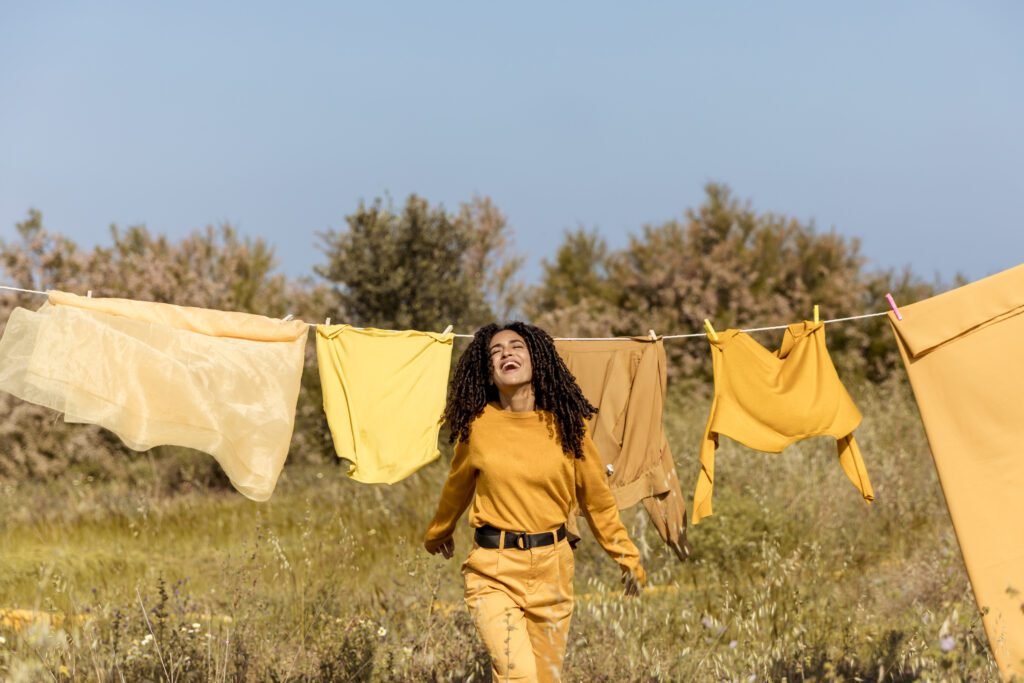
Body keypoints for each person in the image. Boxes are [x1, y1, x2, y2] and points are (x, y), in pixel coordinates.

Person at [424, 322, 647, 682]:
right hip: (492, 569)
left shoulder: (566, 425)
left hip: (554, 568)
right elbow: (457, 487)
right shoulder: (477, 427)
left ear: (537, 361)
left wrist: (626, 555)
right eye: (496, 351)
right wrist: (438, 532)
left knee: (546, 678)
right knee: (519, 675)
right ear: (488, 371)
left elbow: (597, 501)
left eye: (517, 347)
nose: (506, 354)